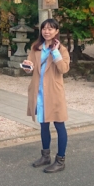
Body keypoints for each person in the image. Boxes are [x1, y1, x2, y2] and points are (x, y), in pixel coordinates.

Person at [22, 18, 70, 173]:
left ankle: (60, 160)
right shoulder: (36, 47)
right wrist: (27, 67)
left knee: (59, 124)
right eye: (44, 28)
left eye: (51, 29)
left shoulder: (61, 49)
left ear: (56, 31)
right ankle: (45, 156)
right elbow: (30, 66)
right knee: (43, 124)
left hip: (54, 92)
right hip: (39, 91)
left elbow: (63, 69)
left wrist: (55, 51)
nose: (47, 31)